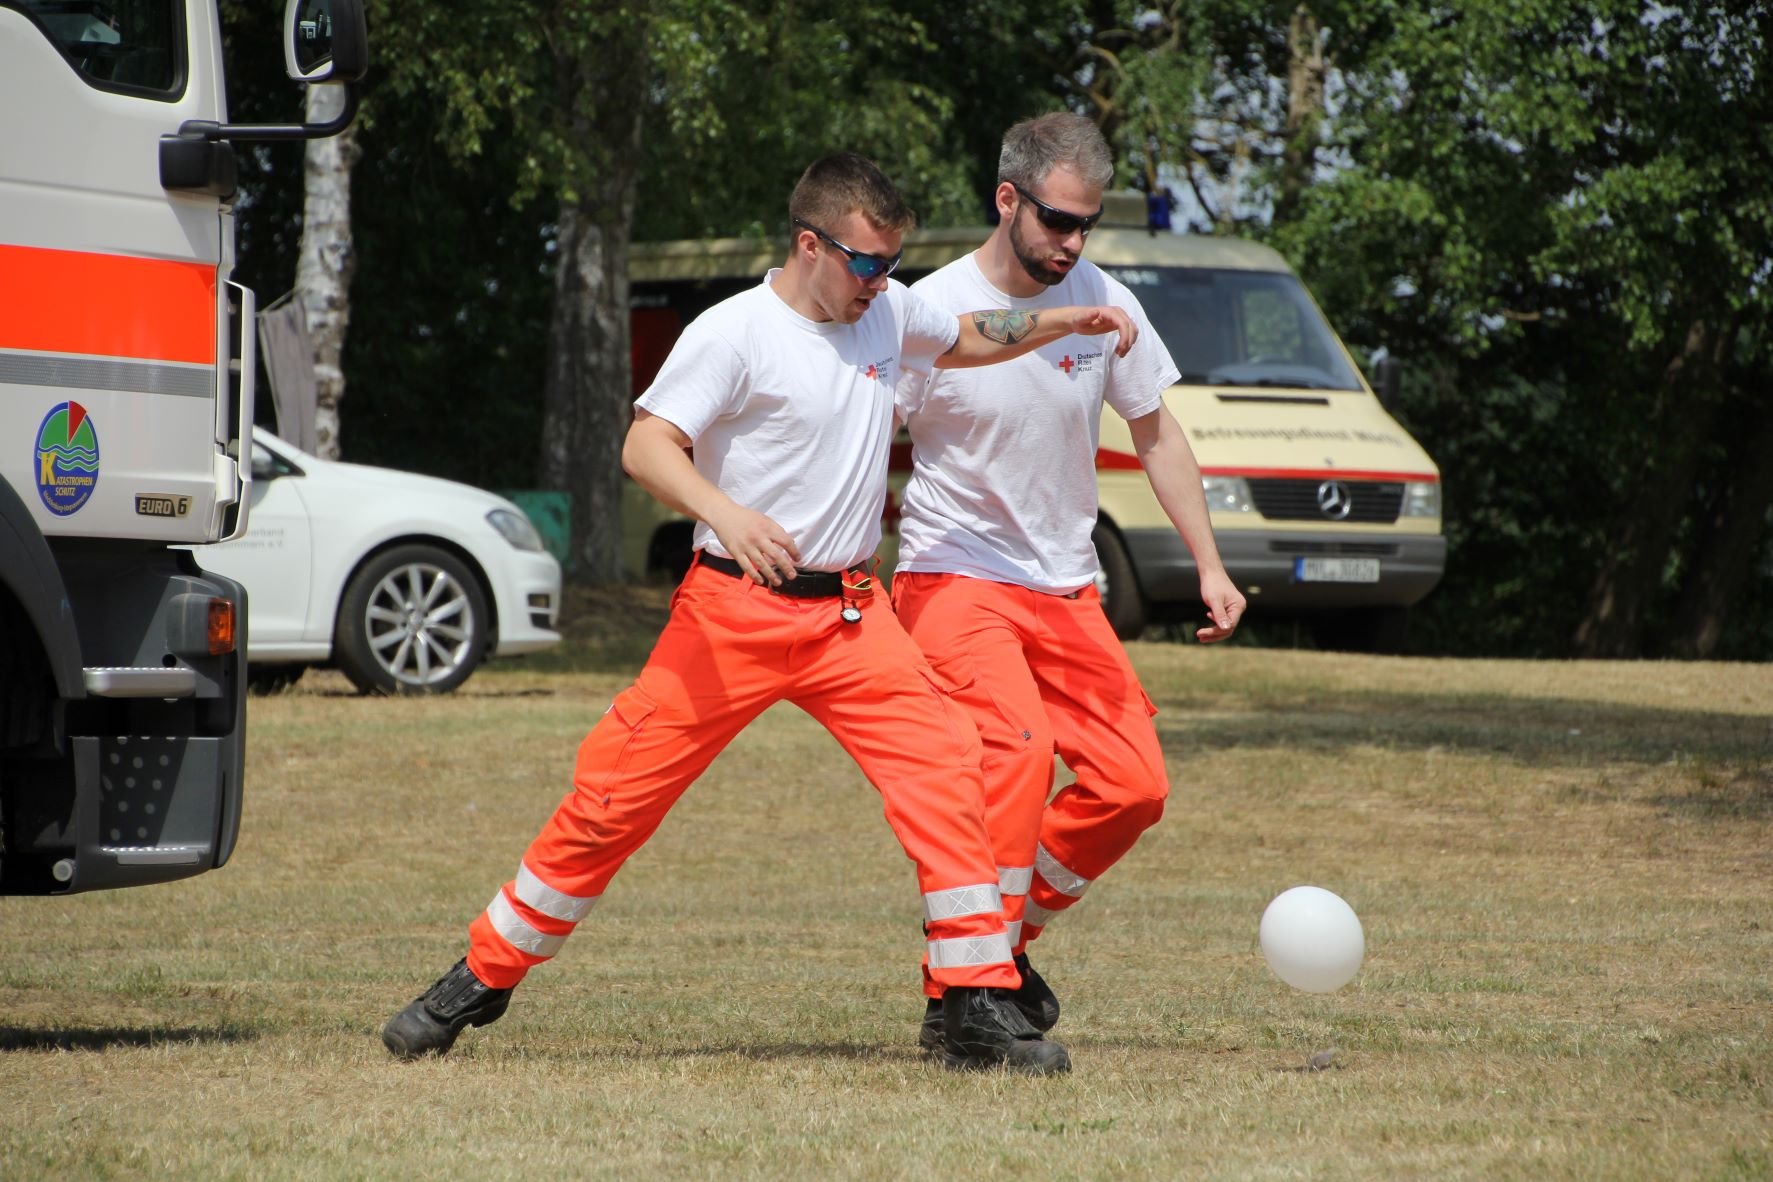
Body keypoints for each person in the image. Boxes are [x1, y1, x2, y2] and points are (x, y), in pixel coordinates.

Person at [380, 152, 1141, 1076]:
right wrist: (725, 513)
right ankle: (482, 976)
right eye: (865, 262)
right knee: (613, 801)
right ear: (809, 244)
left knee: (954, 772)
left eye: (891, 264)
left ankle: (970, 1007)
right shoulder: (732, 332)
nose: (881, 281)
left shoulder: (888, 313)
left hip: (853, 619)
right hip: (730, 617)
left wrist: (1068, 318)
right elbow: (646, 444)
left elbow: (974, 333)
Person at [890, 114, 1247, 1050]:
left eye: (1084, 225)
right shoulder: (930, 310)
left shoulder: (1106, 302)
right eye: (1055, 221)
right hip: (953, 576)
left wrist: (1208, 563)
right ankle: (962, 994)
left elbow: (1156, 432)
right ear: (1006, 200)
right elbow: (856, 430)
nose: (1071, 243)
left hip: (1066, 585)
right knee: (1013, 751)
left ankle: (999, 947)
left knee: (1133, 786)